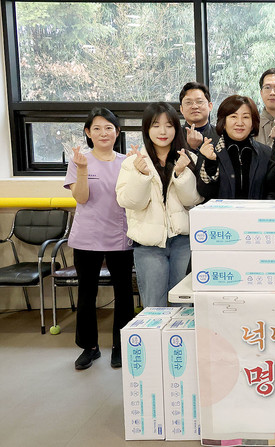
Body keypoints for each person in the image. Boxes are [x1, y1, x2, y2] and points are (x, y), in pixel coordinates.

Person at [65, 108, 134, 370]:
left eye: (109, 128)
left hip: (120, 236)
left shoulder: (127, 161)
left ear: (117, 132)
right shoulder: (79, 161)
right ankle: (89, 347)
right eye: (97, 128)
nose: (103, 133)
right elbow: (81, 198)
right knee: (87, 294)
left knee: (124, 294)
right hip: (87, 238)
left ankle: (121, 346)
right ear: (88, 132)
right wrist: (83, 170)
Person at [116, 102, 202, 308]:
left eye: (169, 125)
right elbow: (130, 202)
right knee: (154, 306)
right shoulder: (132, 163)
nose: (163, 131)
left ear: (176, 128)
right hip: (149, 246)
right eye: (156, 125)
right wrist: (141, 175)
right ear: (146, 129)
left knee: (183, 304)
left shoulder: (189, 158)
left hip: (183, 242)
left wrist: (181, 173)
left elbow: (193, 200)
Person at [195, 95, 271, 200]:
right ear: (223, 122)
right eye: (233, 117)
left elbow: (272, 191)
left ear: (253, 123)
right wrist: (210, 163)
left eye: (245, 117)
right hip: (221, 211)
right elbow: (204, 192)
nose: (239, 123)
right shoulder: (209, 151)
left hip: (256, 210)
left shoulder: (266, 153)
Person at [179, 81, 219, 152]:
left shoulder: (220, 135)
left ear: (210, 106)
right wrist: (191, 147)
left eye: (199, 102)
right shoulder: (174, 135)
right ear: (181, 109)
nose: (194, 106)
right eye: (188, 102)